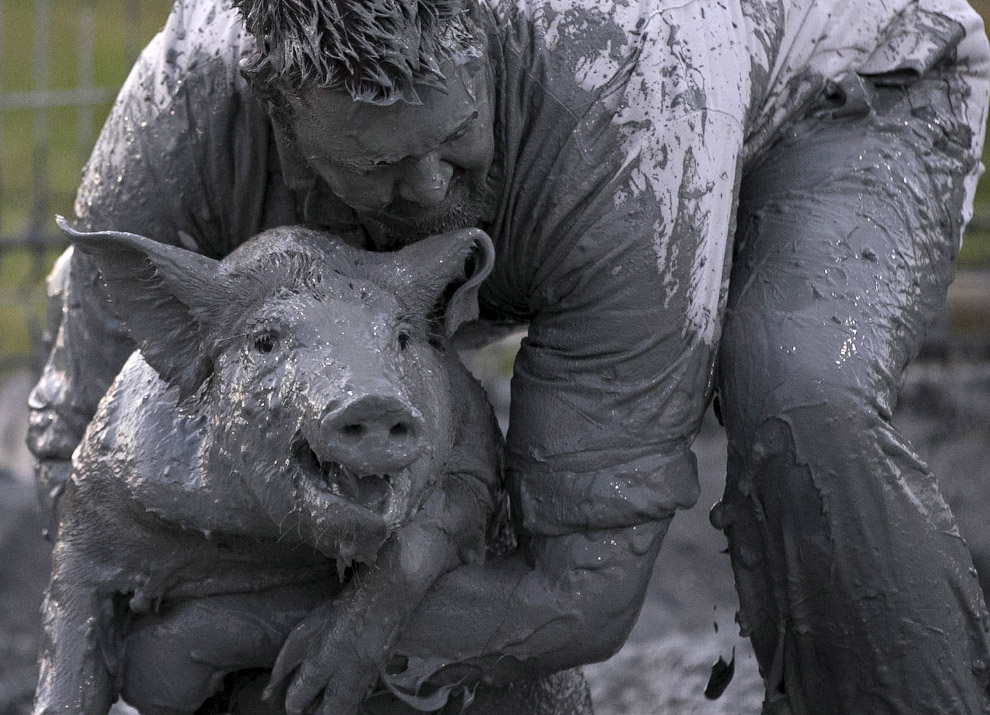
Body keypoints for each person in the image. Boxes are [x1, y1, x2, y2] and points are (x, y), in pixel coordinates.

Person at [27, 0, 990, 712]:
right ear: (277, 121)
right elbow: (79, 458)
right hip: (611, 143)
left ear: (486, 41)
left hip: (854, 86)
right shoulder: (186, 107)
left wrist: (219, 634)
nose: (439, 188)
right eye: (380, 167)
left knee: (795, 385)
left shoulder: (624, 93)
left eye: (454, 140)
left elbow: (583, 585)